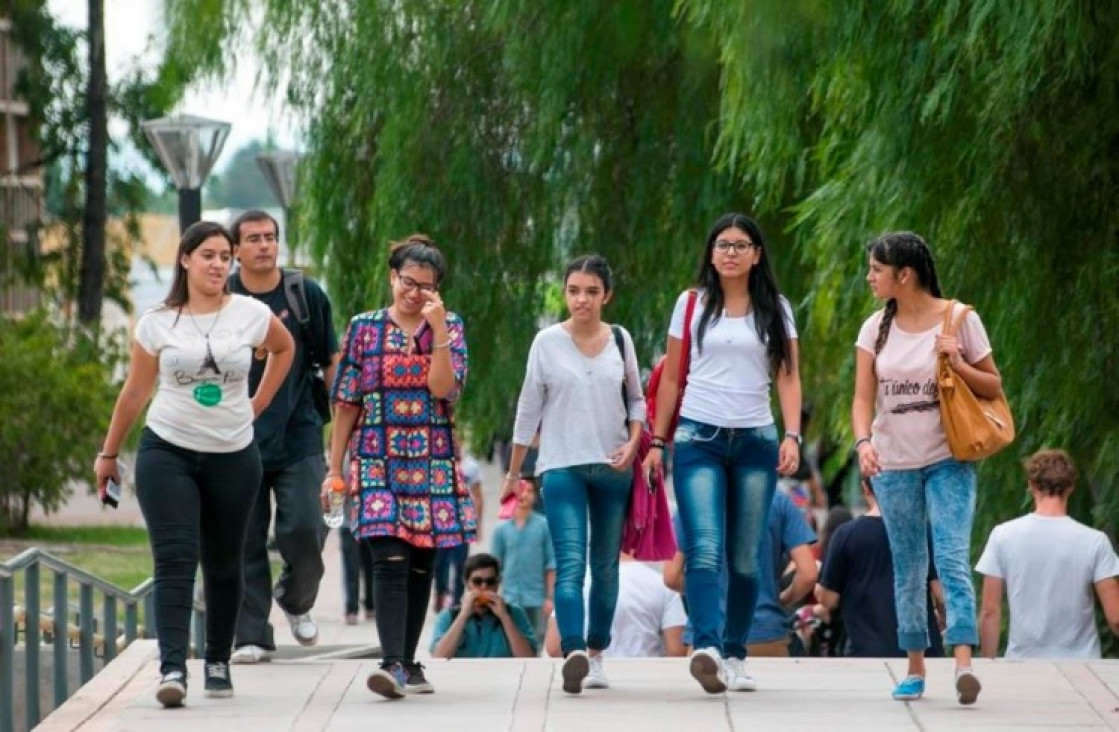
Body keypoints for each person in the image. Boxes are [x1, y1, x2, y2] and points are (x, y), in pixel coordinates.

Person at [94, 221, 294, 707]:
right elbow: (136, 391)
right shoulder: (158, 321)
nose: (218, 264)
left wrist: (259, 403)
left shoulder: (249, 313)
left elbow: (285, 348)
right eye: (208, 255)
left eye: (226, 256)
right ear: (185, 259)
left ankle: (219, 659)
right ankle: (172, 668)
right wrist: (109, 452)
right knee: (175, 559)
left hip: (233, 453)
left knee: (224, 564)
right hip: (168, 450)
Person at [643, 213, 802, 694]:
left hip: (755, 440)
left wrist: (792, 434)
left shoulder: (776, 307)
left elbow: (788, 377)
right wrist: (656, 440)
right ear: (711, 253)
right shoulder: (691, 304)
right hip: (698, 437)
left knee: (746, 557)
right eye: (722, 244)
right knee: (705, 547)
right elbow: (671, 377)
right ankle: (707, 647)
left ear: (756, 255)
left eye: (741, 244)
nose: (731, 252)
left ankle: (736, 652)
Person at [852, 231, 1005, 705]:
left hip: (949, 459)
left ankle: (962, 663)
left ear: (905, 274)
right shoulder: (873, 328)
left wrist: (956, 362)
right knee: (909, 565)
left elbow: (993, 385)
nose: (870, 277)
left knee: (953, 555)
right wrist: (862, 442)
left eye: (877, 269)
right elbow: (861, 399)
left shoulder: (959, 319)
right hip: (893, 463)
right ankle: (916, 666)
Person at [325, 234, 474, 700]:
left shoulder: (448, 327)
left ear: (437, 289)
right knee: (389, 555)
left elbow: (443, 389)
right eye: (407, 282)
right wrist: (335, 469)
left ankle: (409, 661)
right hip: (375, 457)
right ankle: (390, 662)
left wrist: (439, 333)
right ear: (392, 277)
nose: (413, 292)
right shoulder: (363, 328)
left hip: (430, 459)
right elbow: (347, 402)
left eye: (425, 286)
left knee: (420, 564)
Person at [504, 254, 645, 694]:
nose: (582, 300)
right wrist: (513, 471)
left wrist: (634, 442)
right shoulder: (546, 342)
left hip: (612, 468)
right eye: (574, 291)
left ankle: (598, 653)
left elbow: (637, 400)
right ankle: (574, 652)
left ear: (607, 295)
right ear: (565, 293)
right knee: (570, 565)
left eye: (591, 291)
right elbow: (528, 410)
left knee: (604, 567)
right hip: (561, 467)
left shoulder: (621, 339)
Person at [227, 210, 339, 664]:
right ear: (236, 248)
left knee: (307, 526)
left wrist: (346, 426)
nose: (263, 245)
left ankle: (295, 599)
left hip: (299, 433)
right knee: (243, 538)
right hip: (235, 439)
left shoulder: (304, 293)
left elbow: (332, 359)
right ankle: (251, 635)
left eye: (270, 237)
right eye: (252, 238)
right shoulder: (222, 296)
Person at [976, 449, 1119, 659]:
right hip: (1083, 666)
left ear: (1031, 486)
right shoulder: (1095, 541)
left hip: (1022, 664)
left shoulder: (1003, 535)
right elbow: (1116, 618)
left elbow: (990, 611)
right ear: (1071, 487)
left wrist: (989, 664)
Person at [666, 492, 815, 667]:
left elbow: (671, 576)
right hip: (766, 634)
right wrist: (783, 599)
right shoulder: (777, 501)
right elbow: (808, 574)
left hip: (707, 639)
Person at [815, 480, 946, 658]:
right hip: (922, 653)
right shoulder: (923, 530)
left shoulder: (845, 535)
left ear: (865, 488)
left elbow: (827, 598)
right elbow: (942, 595)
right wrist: (943, 617)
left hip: (866, 654)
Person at [545, 554, 686, 665]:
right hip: (644, 676)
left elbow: (553, 646)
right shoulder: (661, 585)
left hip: (589, 674)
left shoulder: (574, 584)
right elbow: (676, 650)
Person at [430, 554, 538, 658]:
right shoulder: (448, 616)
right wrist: (462, 616)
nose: (484, 587)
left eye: (490, 582)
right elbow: (438, 657)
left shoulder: (515, 613)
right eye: (477, 582)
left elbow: (528, 657)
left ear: (498, 583)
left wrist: (505, 618)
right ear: (467, 583)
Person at [492, 481, 556, 641]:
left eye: (529, 491)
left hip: (536, 598)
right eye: (520, 491)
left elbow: (551, 565)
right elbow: (495, 566)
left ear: (535, 496)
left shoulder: (544, 526)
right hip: (510, 597)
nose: (524, 495)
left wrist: (549, 598)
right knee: (511, 640)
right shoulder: (501, 529)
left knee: (536, 640)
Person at [431, 440, 483, 613]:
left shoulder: (471, 467)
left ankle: (456, 600)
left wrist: (477, 523)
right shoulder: (437, 463)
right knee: (439, 563)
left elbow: (477, 495)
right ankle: (441, 591)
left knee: (461, 563)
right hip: (441, 523)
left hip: (463, 523)